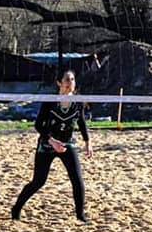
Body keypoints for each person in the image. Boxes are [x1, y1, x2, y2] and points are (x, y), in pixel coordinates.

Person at [12, 69, 93, 222]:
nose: (71, 83)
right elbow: (38, 125)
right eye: (67, 79)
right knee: (39, 181)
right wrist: (52, 141)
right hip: (47, 144)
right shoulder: (50, 101)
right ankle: (16, 209)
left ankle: (80, 216)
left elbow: (81, 122)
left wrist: (87, 142)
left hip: (67, 143)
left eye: (73, 79)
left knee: (77, 180)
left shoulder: (78, 102)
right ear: (59, 83)